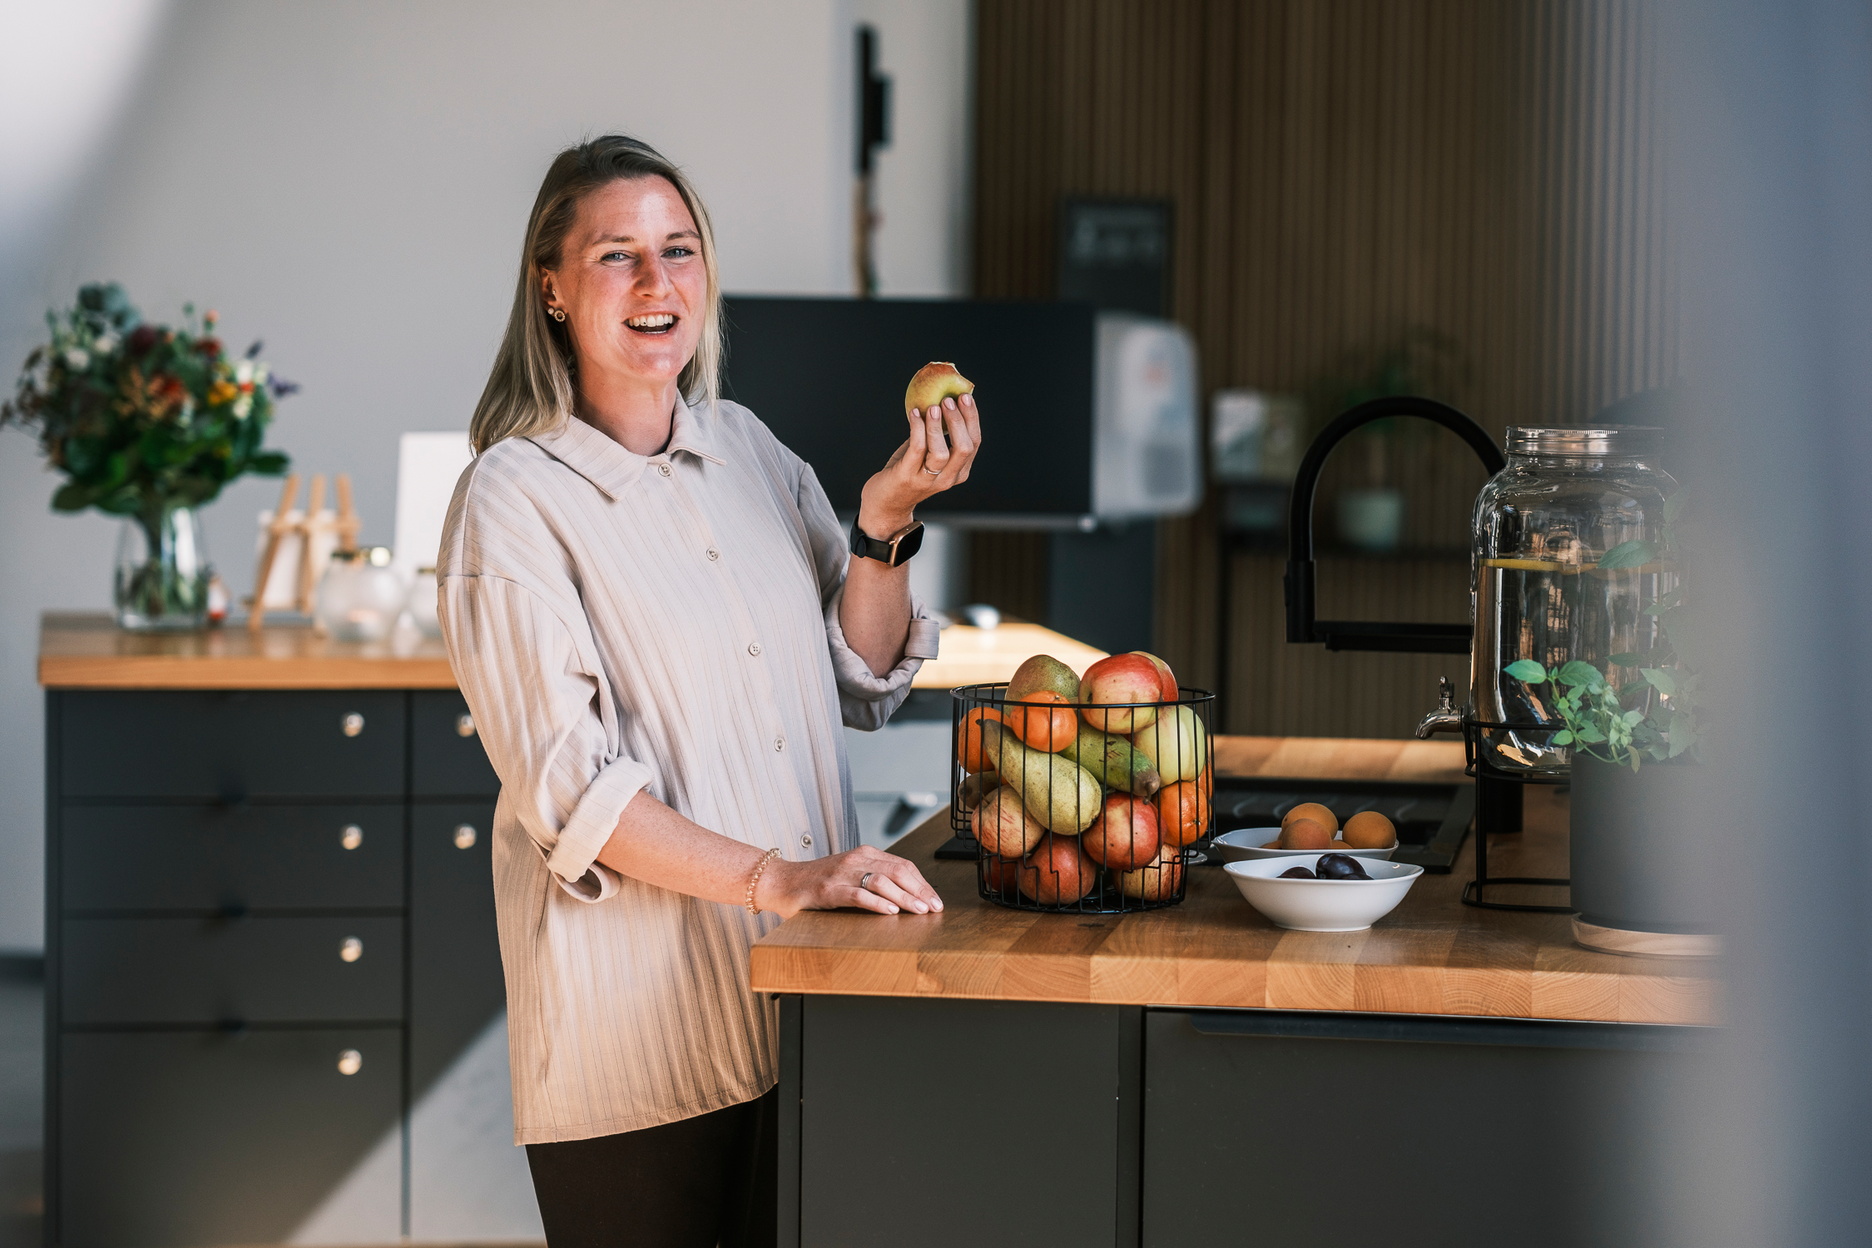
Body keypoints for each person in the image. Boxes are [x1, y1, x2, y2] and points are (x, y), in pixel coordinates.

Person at [437, 135, 981, 1248]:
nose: (657, 281)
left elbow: (859, 674)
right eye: (617, 254)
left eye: (678, 249)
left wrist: (884, 524)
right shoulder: (512, 498)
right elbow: (574, 796)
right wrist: (782, 877)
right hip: (638, 1049)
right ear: (551, 287)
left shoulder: (745, 448)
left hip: (800, 1004)